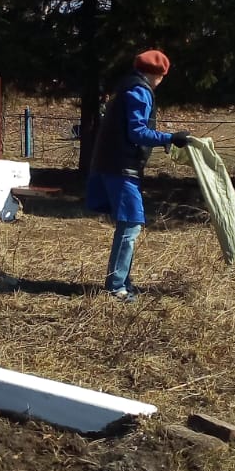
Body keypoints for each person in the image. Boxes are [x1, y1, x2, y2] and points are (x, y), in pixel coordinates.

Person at [86, 50, 189, 302]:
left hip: (111, 164)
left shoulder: (126, 86)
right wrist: (170, 138)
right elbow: (137, 132)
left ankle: (122, 280)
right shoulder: (139, 91)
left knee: (128, 225)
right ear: (157, 75)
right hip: (121, 167)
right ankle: (116, 286)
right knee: (130, 224)